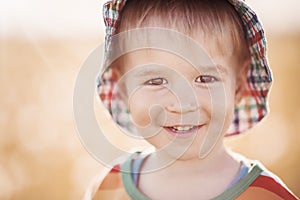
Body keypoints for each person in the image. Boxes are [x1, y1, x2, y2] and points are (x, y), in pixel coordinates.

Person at [85, 0, 299, 199]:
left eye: (205, 78)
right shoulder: (109, 188)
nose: (182, 104)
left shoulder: (265, 195)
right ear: (122, 90)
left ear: (239, 87)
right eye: (156, 81)